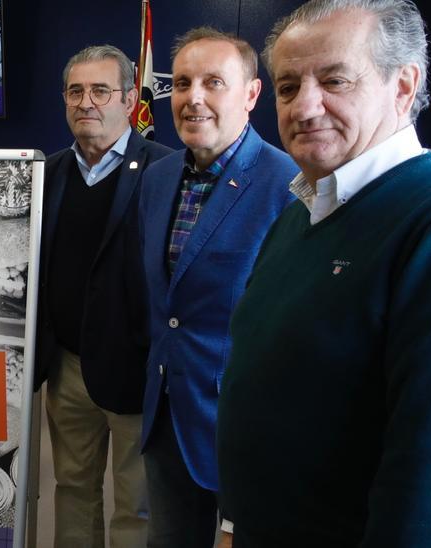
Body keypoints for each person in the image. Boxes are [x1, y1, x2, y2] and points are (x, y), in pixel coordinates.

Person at [218, 0, 431, 545]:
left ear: (404, 86)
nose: (305, 106)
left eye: (335, 80)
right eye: (289, 86)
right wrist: (232, 524)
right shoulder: (300, 212)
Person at [136, 28, 297, 548]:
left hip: (243, 429)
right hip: (166, 416)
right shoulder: (158, 178)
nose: (193, 98)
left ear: (251, 94)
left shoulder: (290, 185)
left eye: (213, 82)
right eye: (182, 83)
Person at [34, 44, 171, 548]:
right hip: (67, 370)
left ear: (130, 98)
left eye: (100, 90)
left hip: (138, 372)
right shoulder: (44, 176)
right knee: (72, 488)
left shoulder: (166, 171)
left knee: (137, 503)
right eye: (75, 91)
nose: (86, 102)